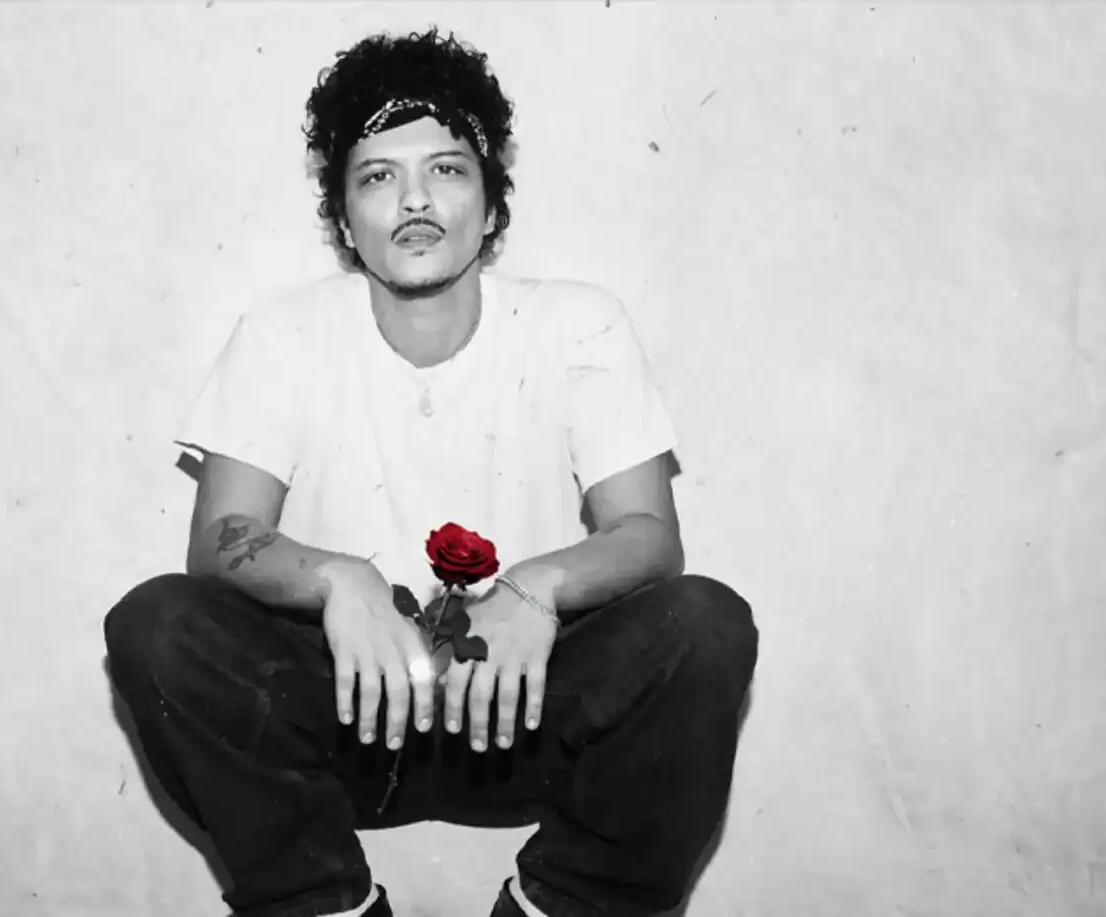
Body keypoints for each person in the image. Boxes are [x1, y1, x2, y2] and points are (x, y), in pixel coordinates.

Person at [105, 26, 759, 917]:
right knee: (158, 623)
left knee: (705, 626)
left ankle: (558, 907)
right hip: (349, 720)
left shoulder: (578, 323)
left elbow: (650, 537)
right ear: (343, 218)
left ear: (492, 207)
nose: (414, 199)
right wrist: (341, 579)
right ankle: (325, 905)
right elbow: (219, 543)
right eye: (378, 176)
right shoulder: (281, 334)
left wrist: (535, 587)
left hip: (521, 712)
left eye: (447, 169)